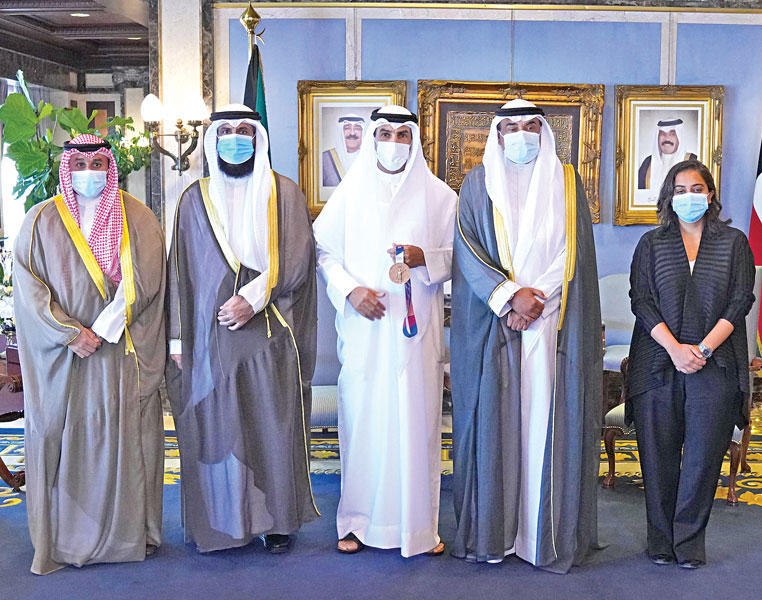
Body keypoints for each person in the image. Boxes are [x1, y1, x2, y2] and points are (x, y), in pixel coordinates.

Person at [450, 99, 602, 573]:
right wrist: (510, 297)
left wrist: (537, 299)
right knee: (497, 425)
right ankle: (496, 534)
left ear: (543, 131)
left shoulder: (568, 182)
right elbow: (467, 249)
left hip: (551, 323)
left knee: (543, 424)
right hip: (495, 322)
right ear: (497, 134)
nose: (521, 134)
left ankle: (541, 537)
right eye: (511, 126)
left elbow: (573, 252)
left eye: (530, 125)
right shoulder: (476, 184)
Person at [167, 104, 318, 554]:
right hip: (209, 336)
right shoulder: (193, 198)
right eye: (226, 131)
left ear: (258, 138)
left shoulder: (284, 192)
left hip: (269, 333)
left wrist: (252, 300)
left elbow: (297, 259)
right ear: (213, 139)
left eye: (244, 131)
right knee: (219, 427)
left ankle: (276, 522)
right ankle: (224, 522)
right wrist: (177, 339)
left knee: (271, 425)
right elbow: (179, 272)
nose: (235, 139)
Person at [14, 133, 166, 574]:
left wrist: (101, 328)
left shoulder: (137, 216)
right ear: (67, 169)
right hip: (63, 359)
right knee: (62, 437)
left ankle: (127, 537)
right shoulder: (39, 220)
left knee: (124, 439)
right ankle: (63, 540)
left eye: (97, 164)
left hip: (120, 353)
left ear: (109, 167)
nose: (88, 173)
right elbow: (28, 288)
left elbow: (148, 279)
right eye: (79, 165)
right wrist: (68, 333)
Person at [314, 105, 456, 557]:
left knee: (417, 424)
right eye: (386, 134)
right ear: (373, 138)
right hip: (366, 329)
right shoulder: (349, 192)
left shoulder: (439, 196)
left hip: (416, 334)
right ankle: (357, 523)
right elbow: (324, 252)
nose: (394, 143)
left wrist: (425, 258)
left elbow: (457, 258)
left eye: (402, 135)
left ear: (414, 140)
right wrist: (351, 290)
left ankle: (418, 529)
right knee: (364, 422)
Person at [627, 159, 755, 568]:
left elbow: (740, 300)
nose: (688, 196)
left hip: (714, 365)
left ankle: (689, 543)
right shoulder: (651, 244)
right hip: (657, 363)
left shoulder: (733, 243)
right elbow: (641, 301)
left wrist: (702, 350)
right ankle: (660, 541)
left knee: (702, 459)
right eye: (679, 190)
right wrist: (675, 349)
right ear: (669, 197)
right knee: (657, 457)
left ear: (710, 194)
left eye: (696, 188)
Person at [638, 117, 697, 191]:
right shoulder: (648, 162)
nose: (667, 139)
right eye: (662, 134)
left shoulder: (692, 161)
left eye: (672, 134)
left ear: (679, 137)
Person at [322, 115, 365, 186]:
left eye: (357, 128)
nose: (352, 133)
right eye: (347, 128)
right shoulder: (324, 159)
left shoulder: (371, 159)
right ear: (340, 132)